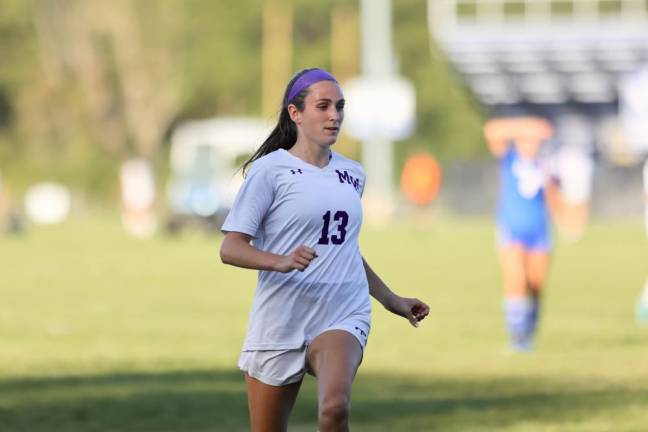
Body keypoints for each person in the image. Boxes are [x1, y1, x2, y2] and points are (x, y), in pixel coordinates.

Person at [220, 68, 430, 431]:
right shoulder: (269, 171)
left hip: (341, 311)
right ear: (295, 113)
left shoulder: (353, 174)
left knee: (334, 409)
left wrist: (389, 299)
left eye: (340, 106)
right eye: (323, 106)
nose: (335, 115)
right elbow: (231, 248)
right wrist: (281, 261)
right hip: (281, 316)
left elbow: (345, 250)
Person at [484, 116, 556, 352]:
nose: (530, 144)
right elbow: (492, 131)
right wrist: (524, 127)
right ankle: (516, 338)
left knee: (535, 285)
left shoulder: (545, 164)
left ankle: (529, 334)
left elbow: (554, 195)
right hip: (512, 230)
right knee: (516, 280)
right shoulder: (509, 159)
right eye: (526, 140)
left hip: (539, 231)